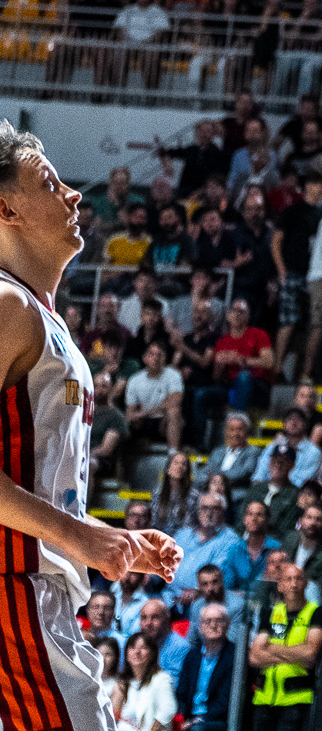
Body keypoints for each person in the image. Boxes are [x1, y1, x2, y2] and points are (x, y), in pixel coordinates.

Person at [0, 122, 183, 729]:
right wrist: (76, 539)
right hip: (14, 592)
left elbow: (28, 480)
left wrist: (100, 536)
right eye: (50, 183)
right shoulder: (9, 306)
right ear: (7, 208)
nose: (75, 194)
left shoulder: (42, 316)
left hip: (34, 589)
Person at [249, 561, 322, 731]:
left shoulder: (317, 613)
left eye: (298, 579)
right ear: (280, 585)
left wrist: (273, 647)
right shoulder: (271, 613)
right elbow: (254, 656)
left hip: (296, 699)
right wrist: (294, 653)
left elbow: (309, 655)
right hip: (264, 698)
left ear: (305, 584)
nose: (293, 584)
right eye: (288, 579)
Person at [176, 603, 237, 731]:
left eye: (218, 621)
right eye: (207, 621)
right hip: (190, 718)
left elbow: (225, 701)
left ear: (227, 625)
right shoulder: (192, 656)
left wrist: (198, 721)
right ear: (200, 627)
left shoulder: (234, 656)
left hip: (216, 720)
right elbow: (181, 692)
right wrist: (180, 717)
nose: (213, 625)